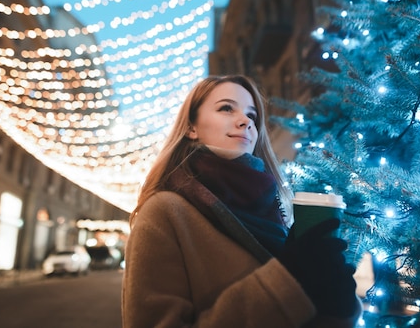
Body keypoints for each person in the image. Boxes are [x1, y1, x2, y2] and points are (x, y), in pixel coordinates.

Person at [122, 75, 361, 328]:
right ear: (191, 127)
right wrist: (286, 282)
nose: (245, 121)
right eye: (226, 108)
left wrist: (339, 304)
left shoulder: (273, 210)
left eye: (252, 116)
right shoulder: (164, 213)